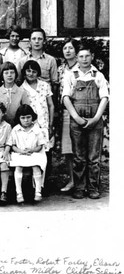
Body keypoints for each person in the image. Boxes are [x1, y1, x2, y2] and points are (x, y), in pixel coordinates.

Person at [62, 48, 109, 200]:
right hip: (77, 121)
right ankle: (79, 188)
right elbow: (65, 98)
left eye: (87, 56)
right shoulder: (71, 75)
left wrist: (95, 119)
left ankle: (93, 188)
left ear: (92, 56)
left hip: (95, 121)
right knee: (78, 157)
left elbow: (105, 98)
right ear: (77, 58)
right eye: (81, 56)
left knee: (94, 158)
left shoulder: (99, 76)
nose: (84, 59)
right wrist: (76, 117)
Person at [9, 104, 47, 204]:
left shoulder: (36, 129)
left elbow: (40, 145)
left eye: (28, 117)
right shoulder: (15, 130)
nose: (26, 120)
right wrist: (21, 151)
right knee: (19, 167)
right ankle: (19, 193)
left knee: (36, 166)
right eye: (23, 118)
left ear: (32, 117)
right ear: (19, 118)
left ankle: (38, 191)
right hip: (20, 153)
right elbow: (13, 146)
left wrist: (32, 150)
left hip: (34, 153)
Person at [57, 38, 79, 192]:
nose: (68, 51)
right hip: (65, 111)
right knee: (68, 148)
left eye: (71, 48)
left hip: (80, 110)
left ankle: (84, 181)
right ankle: (72, 181)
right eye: (65, 48)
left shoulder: (83, 66)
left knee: (81, 148)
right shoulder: (61, 69)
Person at [20, 60, 54, 150]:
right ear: (24, 72)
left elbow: (51, 105)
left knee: (47, 149)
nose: (31, 74)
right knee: (33, 149)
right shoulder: (21, 89)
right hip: (30, 125)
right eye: (28, 71)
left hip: (45, 123)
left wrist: (50, 125)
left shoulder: (45, 85)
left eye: (34, 72)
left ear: (38, 73)